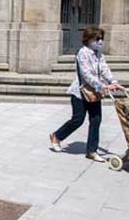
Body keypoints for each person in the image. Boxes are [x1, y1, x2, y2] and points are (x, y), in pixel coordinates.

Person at [50, 26, 124, 162]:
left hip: (94, 92)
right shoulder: (83, 53)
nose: (100, 41)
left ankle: (92, 150)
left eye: (101, 38)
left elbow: (104, 69)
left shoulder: (98, 53)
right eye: (97, 38)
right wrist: (103, 85)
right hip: (80, 92)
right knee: (78, 120)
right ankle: (56, 136)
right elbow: (86, 74)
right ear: (89, 39)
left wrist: (114, 82)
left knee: (96, 120)